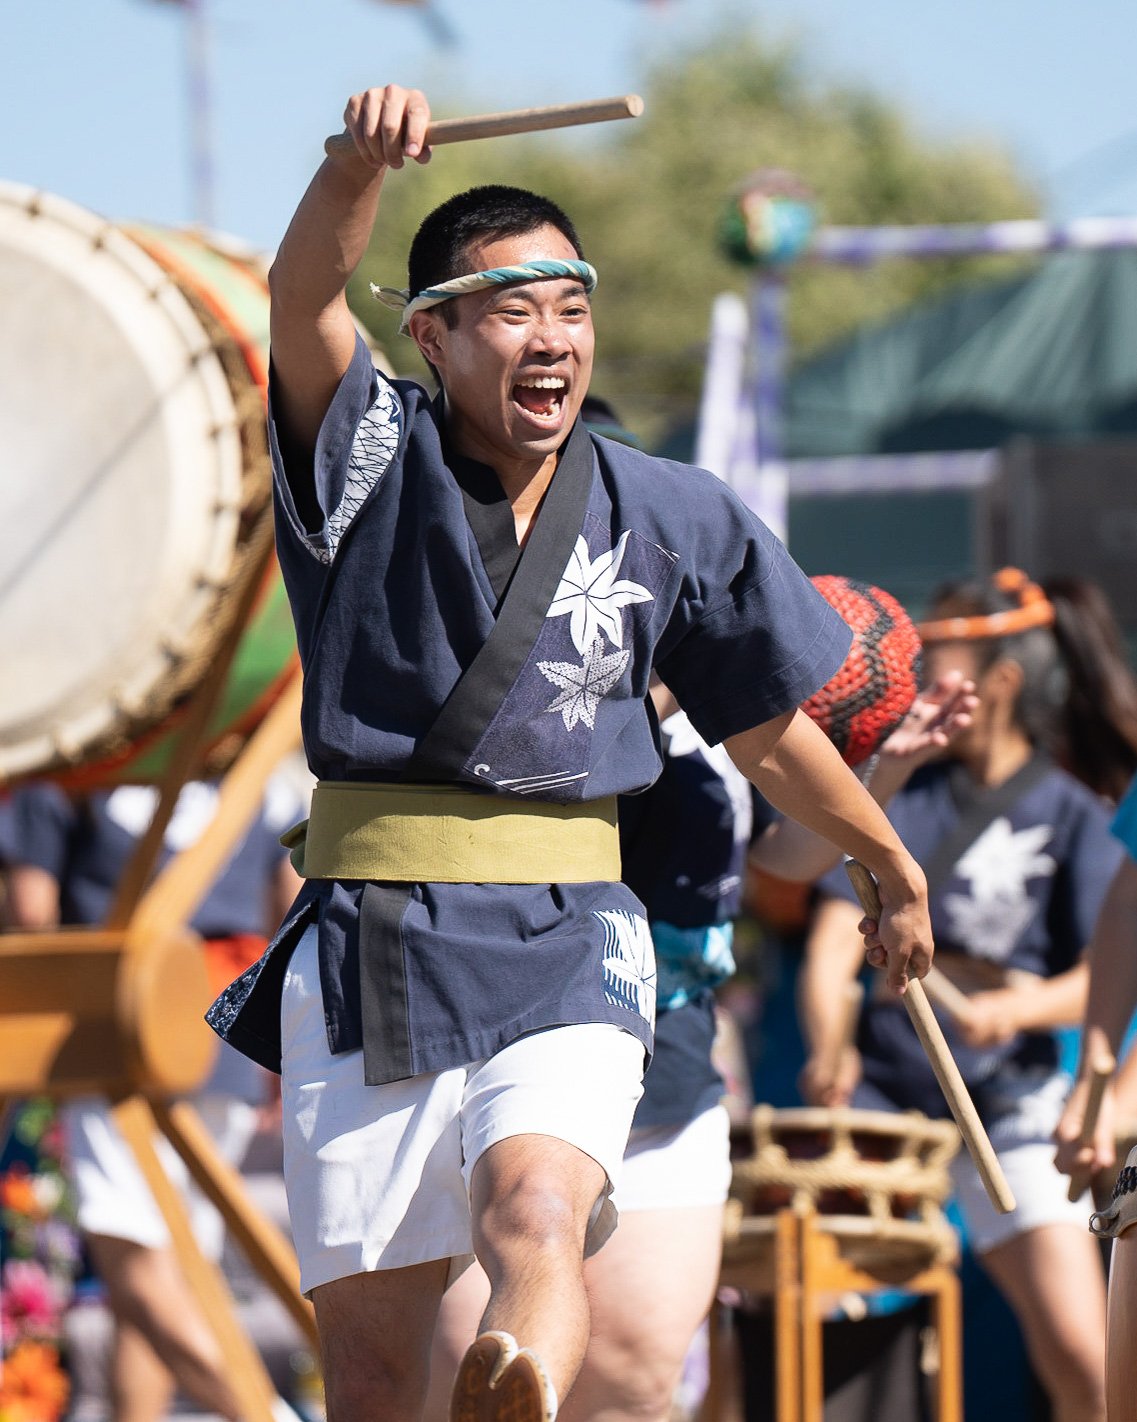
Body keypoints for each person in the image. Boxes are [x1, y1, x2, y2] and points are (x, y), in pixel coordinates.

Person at [207, 84, 935, 1422]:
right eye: (510, 308)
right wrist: (356, 170)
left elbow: (769, 729)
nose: (550, 337)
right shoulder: (370, 458)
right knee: (371, 1376)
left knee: (538, 1209)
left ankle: (520, 1380)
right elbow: (305, 294)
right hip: (374, 938)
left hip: (572, 934)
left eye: (570, 306)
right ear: (428, 335)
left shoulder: (671, 512)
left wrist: (885, 859)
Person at [800, 567, 1127, 1422]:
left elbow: (1107, 973)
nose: (914, 670)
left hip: (1009, 1103)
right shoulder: (903, 796)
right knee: (814, 1333)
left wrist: (1011, 1011)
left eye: (939, 652)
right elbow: (837, 938)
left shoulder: (1072, 813)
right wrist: (828, 1044)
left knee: (1087, 1363)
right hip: (883, 1114)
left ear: (1000, 680)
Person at [0, 776, 303, 1422]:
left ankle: (266, 1414)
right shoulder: (256, 786)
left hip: (112, 1045)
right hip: (225, 1043)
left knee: (133, 1263)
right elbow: (294, 905)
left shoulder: (66, 781)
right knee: (163, 1282)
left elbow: (30, 913)